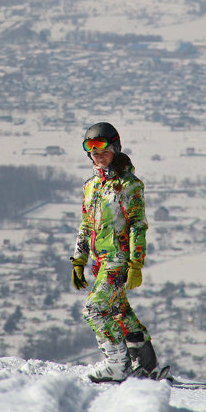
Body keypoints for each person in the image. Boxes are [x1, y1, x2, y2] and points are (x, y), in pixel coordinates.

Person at [71, 121, 165, 383]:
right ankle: (147, 363)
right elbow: (86, 224)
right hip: (100, 262)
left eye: (103, 152)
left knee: (94, 310)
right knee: (118, 311)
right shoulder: (91, 186)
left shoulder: (129, 185)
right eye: (93, 153)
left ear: (115, 149)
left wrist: (135, 264)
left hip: (119, 261)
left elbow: (137, 225)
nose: (98, 158)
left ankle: (116, 364)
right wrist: (78, 260)